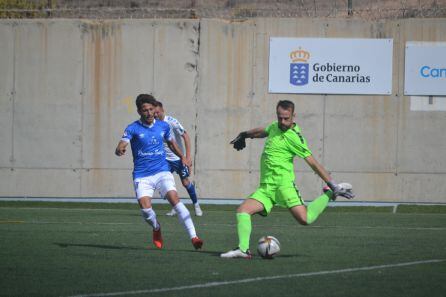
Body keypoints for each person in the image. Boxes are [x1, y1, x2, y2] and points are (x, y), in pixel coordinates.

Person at [220, 100, 354, 259]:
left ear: (293, 116)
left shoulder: (294, 137)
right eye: (280, 117)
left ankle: (329, 193)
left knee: (305, 219)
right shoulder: (275, 126)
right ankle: (243, 249)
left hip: (284, 186)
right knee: (243, 211)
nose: (282, 122)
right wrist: (245, 135)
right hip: (266, 188)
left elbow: (313, 162)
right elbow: (264, 131)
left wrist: (332, 183)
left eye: (286, 118)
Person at [115, 94, 203, 250]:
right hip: (142, 175)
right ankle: (156, 227)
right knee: (146, 209)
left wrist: (183, 157)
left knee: (175, 199)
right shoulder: (132, 128)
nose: (149, 113)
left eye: (151, 109)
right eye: (145, 110)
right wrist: (120, 148)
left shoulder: (163, 126)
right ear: (139, 111)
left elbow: (171, 143)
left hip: (162, 171)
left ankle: (194, 237)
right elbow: (123, 142)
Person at [154, 101, 203, 217]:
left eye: (157, 112)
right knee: (165, 184)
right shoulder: (153, 124)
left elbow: (185, 136)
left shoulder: (171, 122)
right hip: (164, 160)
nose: (155, 115)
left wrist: (187, 157)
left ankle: (196, 205)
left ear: (162, 110)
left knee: (185, 183)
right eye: (153, 113)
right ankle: (175, 207)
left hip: (177, 158)